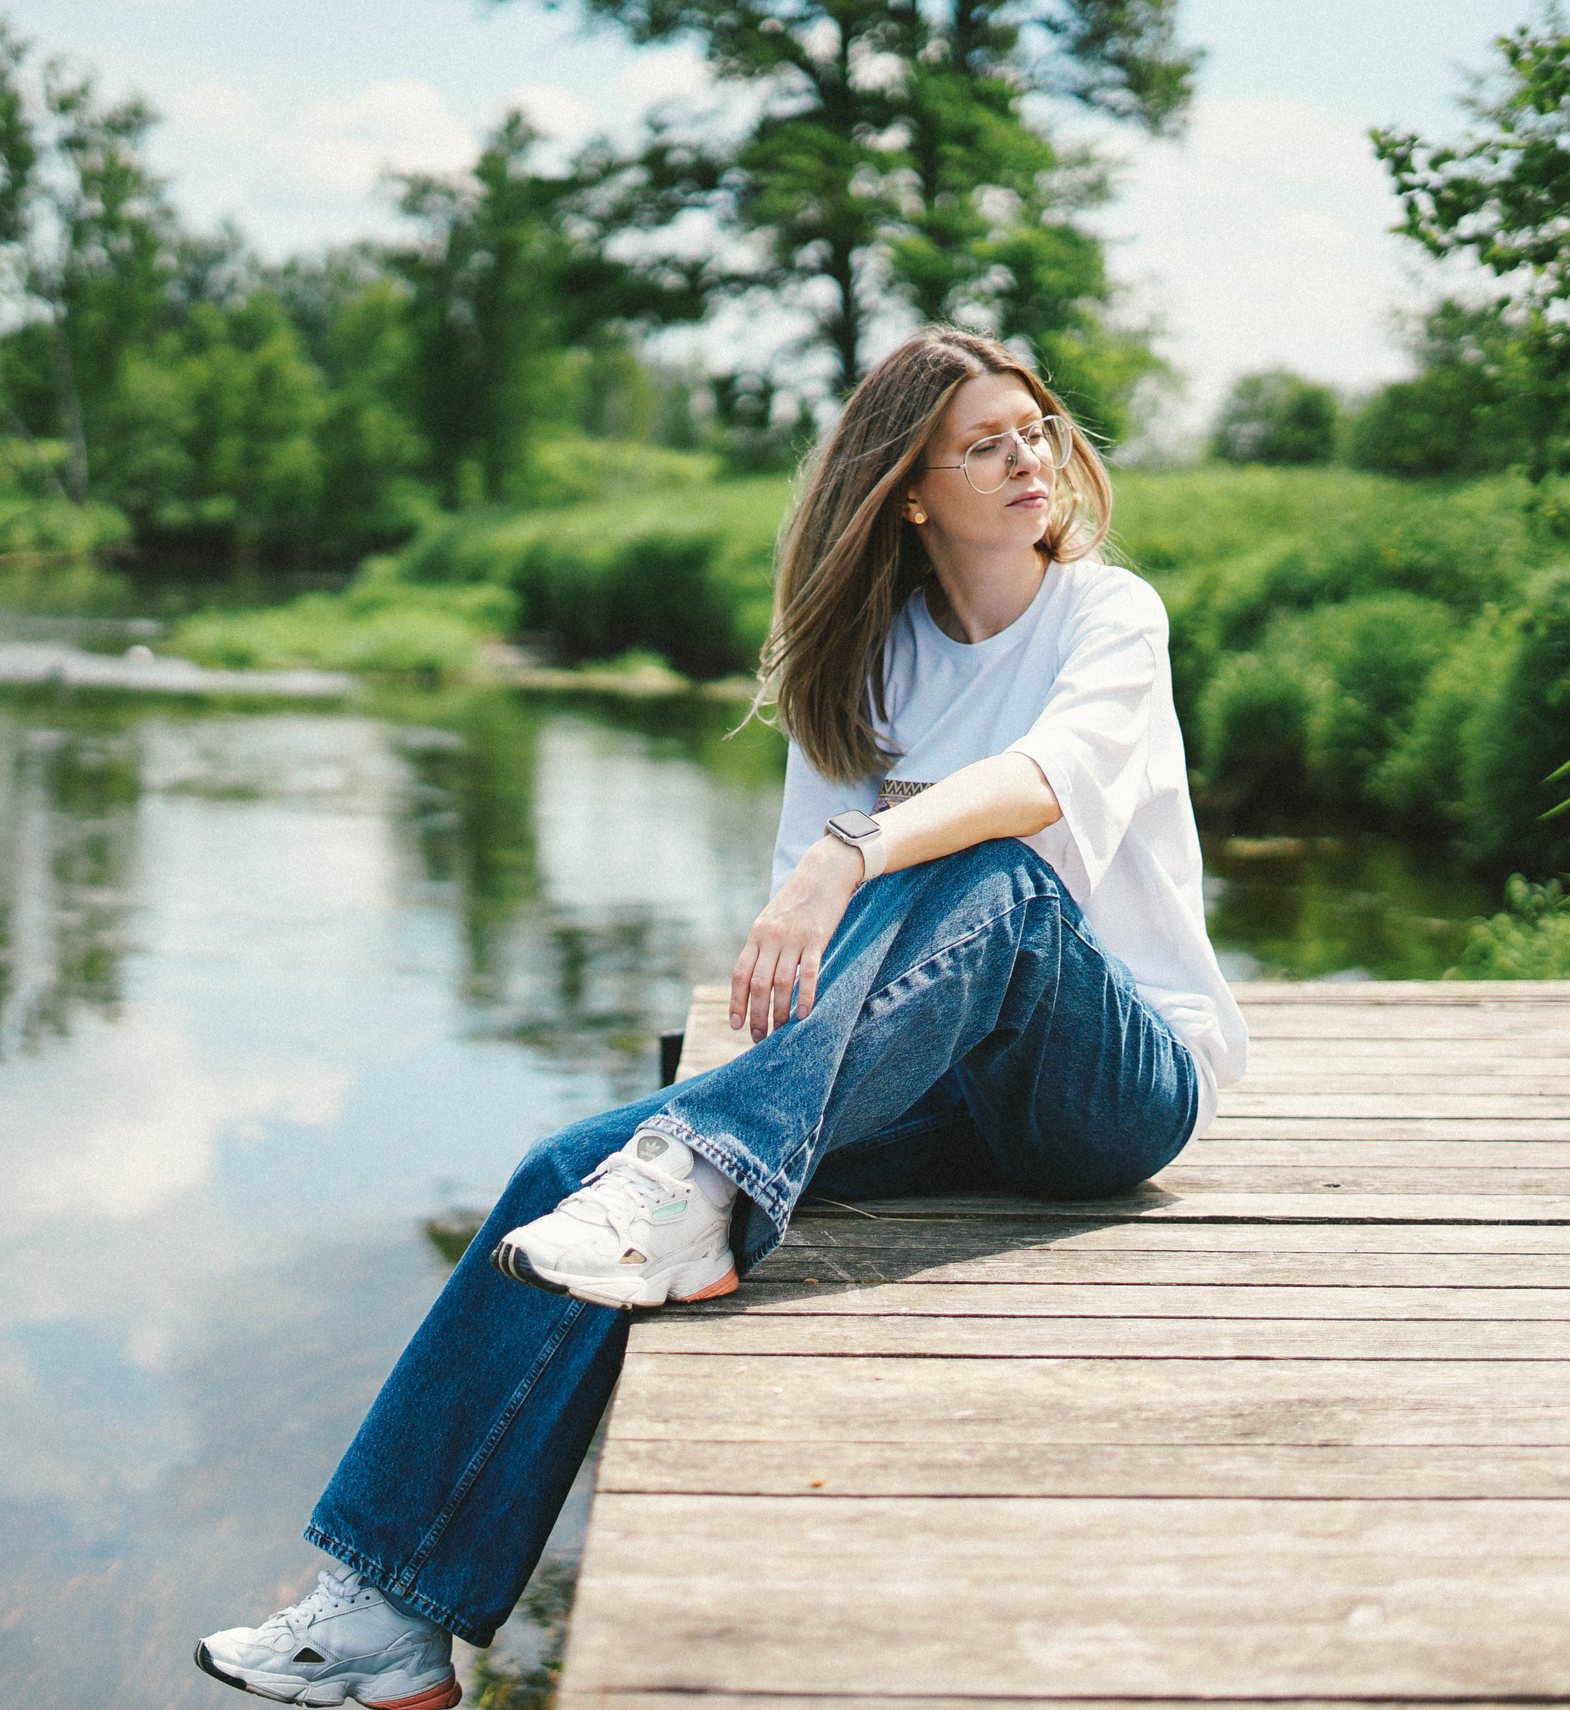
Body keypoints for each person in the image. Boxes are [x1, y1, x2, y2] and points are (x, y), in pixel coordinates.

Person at [192, 326, 1247, 1708]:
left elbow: (1044, 786)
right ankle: (390, 1615)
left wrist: (860, 846)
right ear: (911, 491)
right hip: (942, 1089)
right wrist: (753, 1035)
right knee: (571, 1170)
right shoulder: (863, 669)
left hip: (1114, 1083)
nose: (1029, 458)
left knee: (987, 869)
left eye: (1034, 428)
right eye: (985, 442)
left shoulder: (1110, 616)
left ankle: (700, 1181)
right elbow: (812, 975)